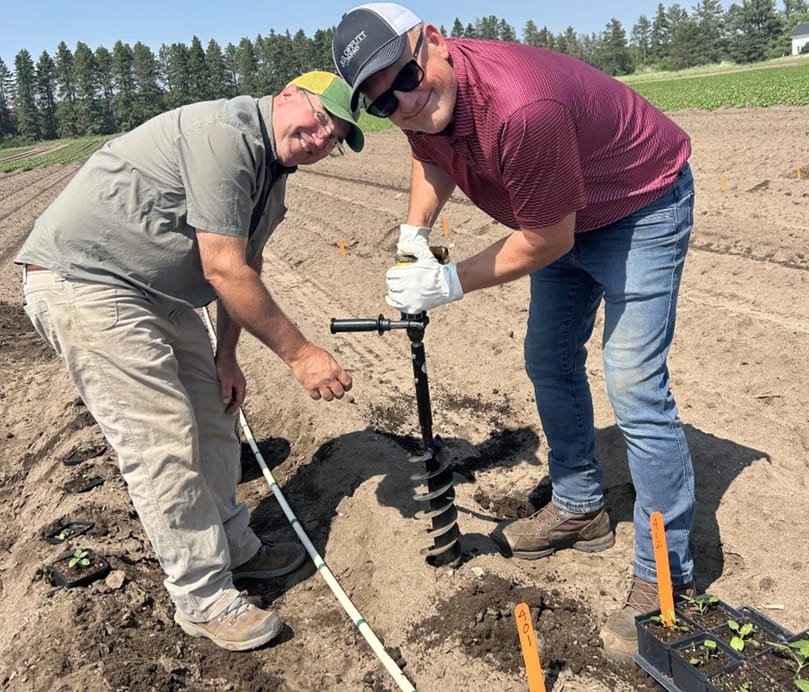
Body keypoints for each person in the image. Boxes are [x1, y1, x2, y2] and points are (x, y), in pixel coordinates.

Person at [332, 3, 696, 663]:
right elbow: (430, 154)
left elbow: (544, 239)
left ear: (434, 42)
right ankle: (581, 507)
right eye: (381, 104)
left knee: (633, 383)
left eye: (405, 77)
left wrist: (446, 281)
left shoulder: (520, 108)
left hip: (638, 204)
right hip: (562, 214)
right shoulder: (423, 106)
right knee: (548, 360)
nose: (403, 102)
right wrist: (415, 237)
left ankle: (667, 577)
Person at [16, 71, 364, 652]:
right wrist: (300, 354)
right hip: (86, 281)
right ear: (285, 96)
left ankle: (233, 547)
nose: (322, 139)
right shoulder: (225, 136)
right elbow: (223, 267)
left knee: (214, 409)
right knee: (161, 440)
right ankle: (202, 597)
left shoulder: (273, 179)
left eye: (338, 136)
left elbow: (243, 269)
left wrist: (227, 357)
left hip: (159, 294)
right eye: (320, 120)